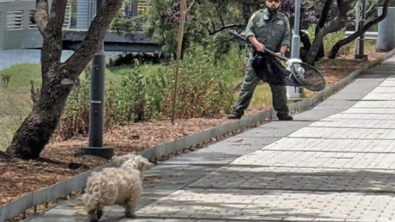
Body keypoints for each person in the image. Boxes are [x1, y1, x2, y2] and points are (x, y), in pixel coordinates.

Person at [228, 0, 293, 121]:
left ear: (279, 4)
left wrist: (281, 52)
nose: (273, 4)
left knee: (279, 87)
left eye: (276, 1)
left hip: (272, 58)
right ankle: (237, 111)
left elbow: (286, 38)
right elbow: (249, 32)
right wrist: (257, 44)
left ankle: (282, 112)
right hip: (256, 58)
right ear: (266, 2)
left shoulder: (283, 20)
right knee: (248, 86)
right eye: (270, 1)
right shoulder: (257, 16)